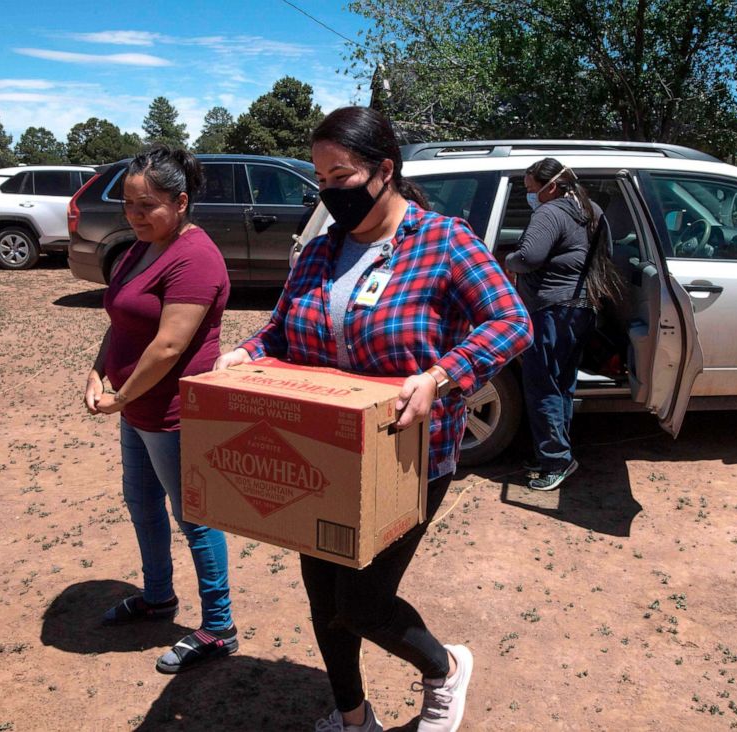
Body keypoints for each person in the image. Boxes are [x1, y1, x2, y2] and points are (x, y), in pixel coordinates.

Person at [215, 106, 531, 732]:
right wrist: (245, 353)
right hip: (317, 450)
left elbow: (511, 321)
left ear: (384, 171)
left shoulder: (444, 241)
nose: (331, 193)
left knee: (361, 602)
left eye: (342, 177)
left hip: (408, 456)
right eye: (321, 181)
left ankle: (444, 669)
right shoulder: (317, 253)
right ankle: (352, 716)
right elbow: (281, 331)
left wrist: (443, 374)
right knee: (322, 595)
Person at [84, 145, 236, 674]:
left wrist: (121, 396)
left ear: (181, 202)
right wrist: (98, 370)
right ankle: (157, 596)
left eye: (146, 205)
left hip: (175, 414)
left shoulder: (195, 257)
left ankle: (219, 627)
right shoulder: (137, 248)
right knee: (142, 504)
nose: (135, 215)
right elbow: (121, 320)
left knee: (193, 517)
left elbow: (170, 346)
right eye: (127, 204)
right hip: (135, 410)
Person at [505, 158, 620, 492]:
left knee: (542, 385)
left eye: (530, 190)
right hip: (581, 309)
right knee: (562, 384)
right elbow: (606, 251)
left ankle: (556, 461)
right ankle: (552, 453)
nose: (530, 196)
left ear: (550, 186)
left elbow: (528, 257)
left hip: (551, 310)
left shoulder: (550, 212)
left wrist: (508, 261)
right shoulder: (590, 209)